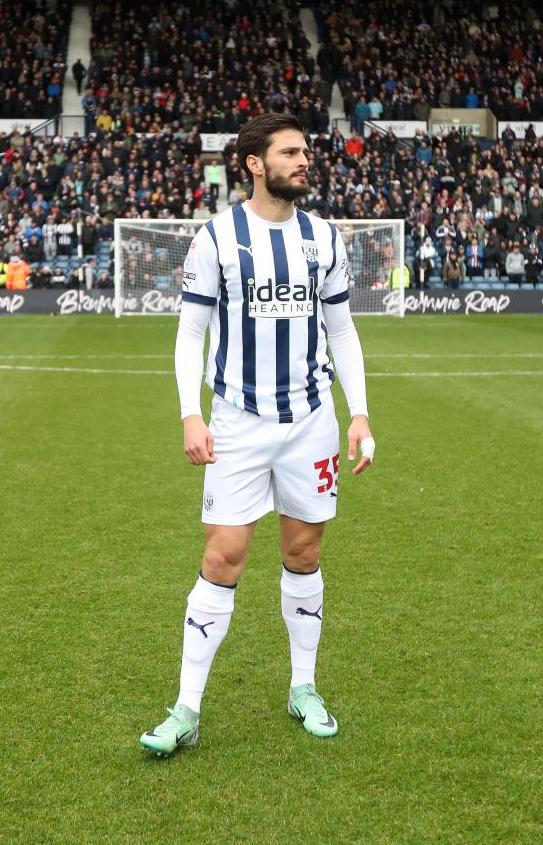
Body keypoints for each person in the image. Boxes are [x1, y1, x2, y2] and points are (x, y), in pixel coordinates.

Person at [141, 113, 375, 757]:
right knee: (222, 557)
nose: (305, 161)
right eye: (291, 152)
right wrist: (190, 412)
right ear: (253, 162)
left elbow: (342, 330)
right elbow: (191, 331)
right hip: (238, 424)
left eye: (306, 151)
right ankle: (186, 707)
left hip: (311, 424)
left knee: (303, 554)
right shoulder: (215, 237)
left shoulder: (324, 238)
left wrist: (359, 412)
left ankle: (304, 688)